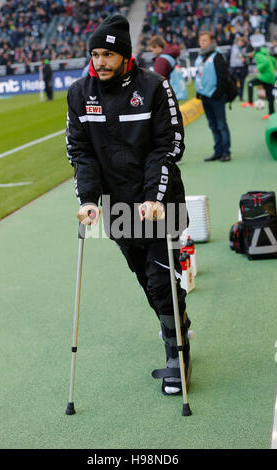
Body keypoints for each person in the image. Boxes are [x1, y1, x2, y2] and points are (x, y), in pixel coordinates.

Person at [65, 15, 192, 396]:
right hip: (117, 204)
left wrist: (153, 197)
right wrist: (88, 200)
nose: (100, 61)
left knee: (159, 279)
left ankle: (177, 353)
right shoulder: (79, 93)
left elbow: (168, 147)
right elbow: (80, 152)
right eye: (95, 54)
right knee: (144, 278)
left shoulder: (155, 87)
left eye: (108, 54)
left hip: (159, 200)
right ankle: (179, 325)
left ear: (125, 55)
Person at [194, 31, 231, 162]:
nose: (202, 43)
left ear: (211, 41)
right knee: (213, 125)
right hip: (205, 97)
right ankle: (218, 151)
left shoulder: (217, 56)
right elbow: (199, 76)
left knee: (221, 125)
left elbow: (223, 77)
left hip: (216, 97)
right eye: (200, 40)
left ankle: (226, 152)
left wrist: (217, 93)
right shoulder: (200, 57)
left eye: (205, 40)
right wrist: (198, 92)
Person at [241, 45, 276, 120]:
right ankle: (271, 114)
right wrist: (274, 68)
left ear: (251, 53)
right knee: (269, 96)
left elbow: (266, 62)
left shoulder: (258, 55)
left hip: (265, 77)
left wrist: (258, 68)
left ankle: (250, 102)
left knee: (250, 83)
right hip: (270, 76)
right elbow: (273, 60)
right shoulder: (265, 53)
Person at [229, 36, 251, 101]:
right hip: (234, 68)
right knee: (233, 84)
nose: (241, 43)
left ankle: (241, 96)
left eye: (242, 42)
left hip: (242, 69)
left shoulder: (246, 49)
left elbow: (249, 59)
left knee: (242, 83)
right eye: (240, 42)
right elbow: (229, 57)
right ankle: (233, 96)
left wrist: (245, 60)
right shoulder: (233, 48)